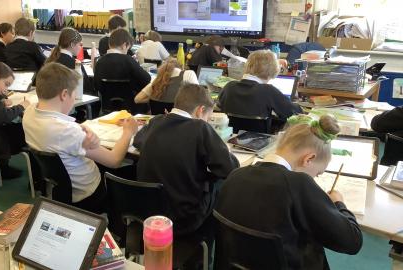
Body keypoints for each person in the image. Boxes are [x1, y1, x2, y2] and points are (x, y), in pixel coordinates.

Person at [215, 114, 363, 270]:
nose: (315, 178)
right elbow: (352, 241)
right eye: (318, 173)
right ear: (309, 159)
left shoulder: (236, 175)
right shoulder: (299, 184)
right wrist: (338, 203)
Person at [22, 62, 138, 213]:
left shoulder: (29, 113)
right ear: (64, 94)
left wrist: (81, 128)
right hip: (89, 193)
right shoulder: (68, 132)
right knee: (133, 170)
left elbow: (60, 127)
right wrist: (128, 131)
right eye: (73, 95)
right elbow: (114, 160)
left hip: (62, 189)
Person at [134, 84, 239, 241]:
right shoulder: (200, 127)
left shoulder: (156, 121)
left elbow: (138, 141)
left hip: (149, 213)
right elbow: (230, 168)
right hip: (184, 219)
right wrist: (223, 149)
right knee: (221, 183)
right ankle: (213, 244)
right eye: (208, 118)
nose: (207, 122)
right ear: (200, 111)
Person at [218, 50, 302, 123]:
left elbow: (219, 107)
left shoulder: (229, 87)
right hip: (259, 139)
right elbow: (293, 113)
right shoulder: (268, 90)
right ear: (272, 70)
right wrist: (296, 104)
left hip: (230, 138)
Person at [94, 28, 151, 112]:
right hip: (133, 108)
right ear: (124, 45)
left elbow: (96, 85)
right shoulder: (128, 60)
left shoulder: (99, 62)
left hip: (108, 109)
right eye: (128, 48)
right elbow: (147, 79)